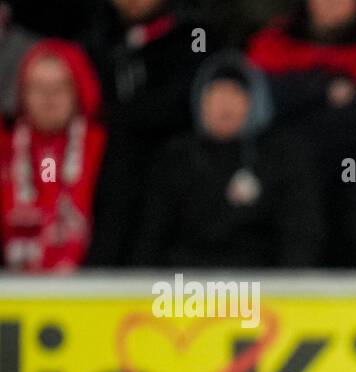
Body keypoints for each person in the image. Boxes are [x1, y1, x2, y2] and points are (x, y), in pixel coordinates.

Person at [247, 0, 356, 266]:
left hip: (355, 173)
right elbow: (254, 104)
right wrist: (323, 90)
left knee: (354, 210)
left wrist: (297, 99)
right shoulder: (273, 41)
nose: (331, 5)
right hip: (283, 171)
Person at [132, 51, 324, 268]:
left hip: (259, 288)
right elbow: (151, 235)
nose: (225, 104)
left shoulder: (282, 157)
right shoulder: (176, 157)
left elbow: (300, 232)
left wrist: (286, 288)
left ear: (255, 102)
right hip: (184, 289)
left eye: (236, 93)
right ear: (199, 101)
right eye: (215, 93)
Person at [82, 0, 208, 266]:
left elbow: (188, 98)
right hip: (108, 166)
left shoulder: (195, 34)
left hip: (175, 161)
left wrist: (119, 115)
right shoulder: (96, 37)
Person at [0, 38, 105, 272]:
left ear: (77, 89)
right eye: (38, 87)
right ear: (22, 93)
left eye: (60, 87)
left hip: (90, 290)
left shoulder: (106, 150)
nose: (49, 97)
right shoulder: (5, 148)